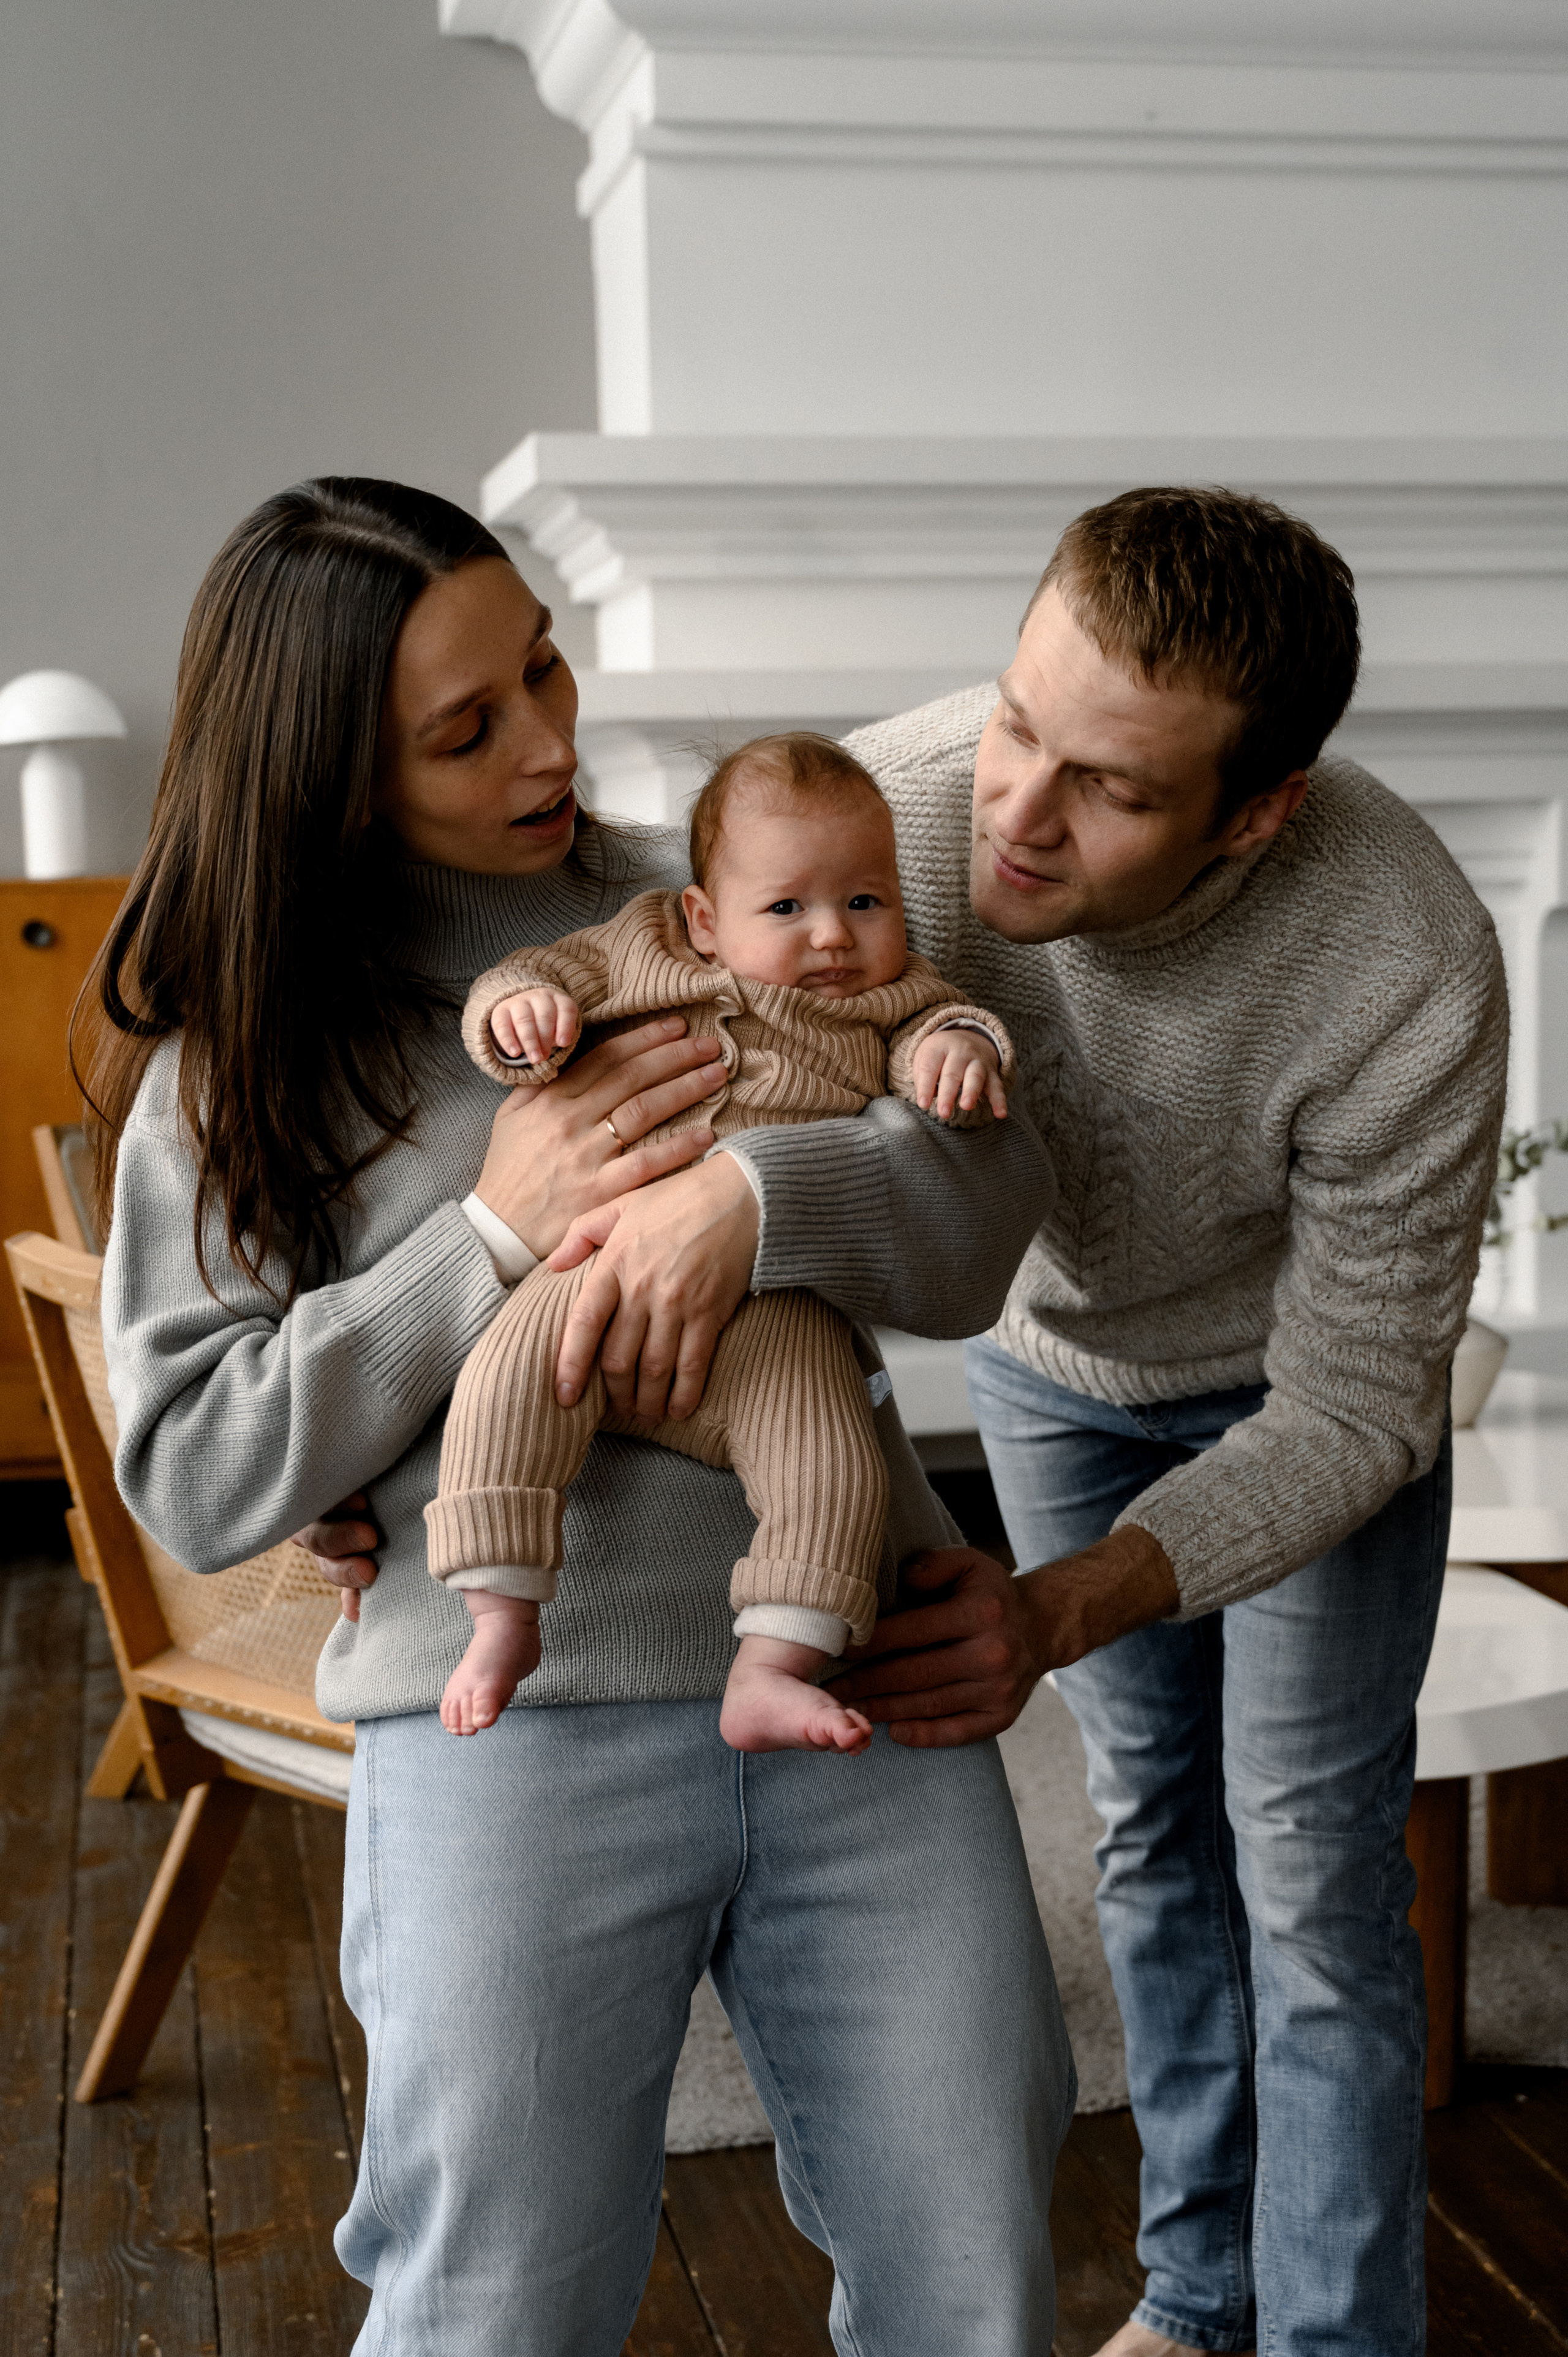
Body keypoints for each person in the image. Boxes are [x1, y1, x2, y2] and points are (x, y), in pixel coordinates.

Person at [89, 478, 1075, 2356]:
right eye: (468, 729)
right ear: (335, 777)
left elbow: (976, 1234)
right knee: (499, 2302)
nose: (550, 737)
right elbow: (199, 1468)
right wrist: (484, 1235)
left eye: (540, 660)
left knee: (978, 2268)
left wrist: (759, 1205)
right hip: (509, 1715)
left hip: (859, 1668)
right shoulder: (258, 1043)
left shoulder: (717, 900)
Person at [828, 488, 1509, 2357]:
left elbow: (1364, 1396)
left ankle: (1335, 2333)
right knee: (1151, 1837)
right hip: (1059, 1374)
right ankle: (1199, 2292)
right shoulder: (891, 816)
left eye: (1112, 788)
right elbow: (637, 995)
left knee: (1306, 1870)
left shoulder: (1408, 958)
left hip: (1306, 1400)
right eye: (1018, 721)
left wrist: (1061, 1607)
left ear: (1256, 811)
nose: (1014, 816)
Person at [431, 728, 1013, 1752]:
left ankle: (773, 1662)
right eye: (787, 907)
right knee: (504, 1378)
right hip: (597, 1268)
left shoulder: (888, 997)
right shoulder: (642, 948)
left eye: (865, 902)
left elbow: (944, 1023)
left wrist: (959, 1052)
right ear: (704, 919)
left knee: (834, 1461)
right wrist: (521, 1011)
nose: (833, 936)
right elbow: (529, 974)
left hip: (774, 1312)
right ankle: (500, 1614)